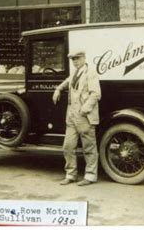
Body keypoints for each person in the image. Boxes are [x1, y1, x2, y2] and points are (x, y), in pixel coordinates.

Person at [52, 50, 101, 186]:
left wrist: (84, 109)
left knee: (89, 147)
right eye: (73, 59)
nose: (75, 61)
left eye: (77, 58)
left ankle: (90, 176)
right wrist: (58, 89)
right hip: (72, 116)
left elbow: (96, 94)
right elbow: (67, 82)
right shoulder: (74, 73)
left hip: (84, 116)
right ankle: (71, 174)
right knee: (68, 146)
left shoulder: (90, 73)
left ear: (84, 58)